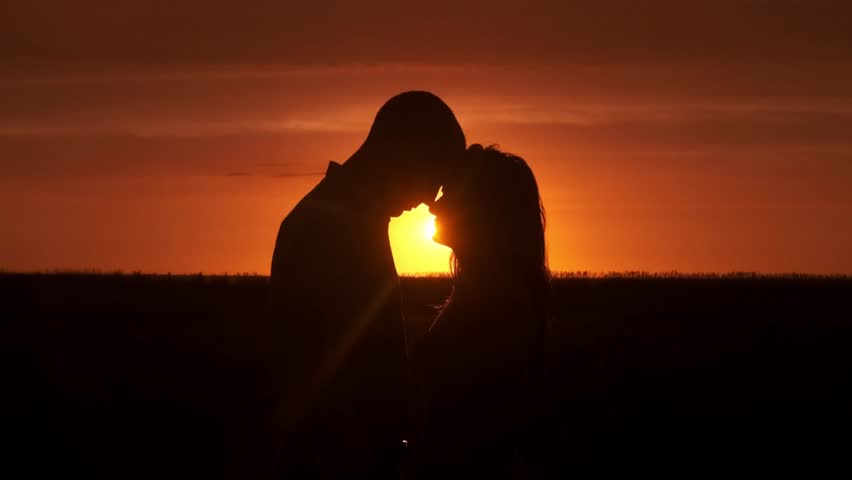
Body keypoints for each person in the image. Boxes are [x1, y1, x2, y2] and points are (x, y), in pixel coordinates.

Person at [267, 91, 467, 477]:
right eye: (431, 174)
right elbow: (320, 376)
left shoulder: (352, 222)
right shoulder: (326, 228)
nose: (428, 199)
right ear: (400, 149)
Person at [417, 144, 550, 478]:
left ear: (483, 210)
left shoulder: (498, 300)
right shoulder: (488, 292)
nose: (435, 204)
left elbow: (482, 427)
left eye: (451, 192)